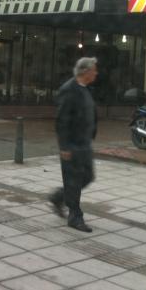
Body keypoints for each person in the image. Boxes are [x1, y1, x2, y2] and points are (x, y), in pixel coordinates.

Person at [49, 57, 98, 233]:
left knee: (88, 177)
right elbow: (61, 121)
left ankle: (58, 197)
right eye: (94, 70)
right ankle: (75, 217)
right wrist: (64, 147)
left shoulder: (85, 88)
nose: (96, 73)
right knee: (74, 181)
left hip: (84, 143)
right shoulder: (69, 90)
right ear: (86, 72)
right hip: (72, 144)